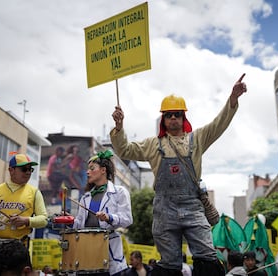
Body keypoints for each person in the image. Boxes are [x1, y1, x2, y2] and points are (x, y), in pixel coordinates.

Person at [111, 74, 247, 276]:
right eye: (168, 114)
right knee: (169, 264)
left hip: (193, 206)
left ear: (184, 117)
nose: (173, 117)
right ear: (163, 120)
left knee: (207, 257)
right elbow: (124, 150)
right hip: (164, 210)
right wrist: (120, 127)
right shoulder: (152, 144)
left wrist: (233, 99)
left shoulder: (198, 138)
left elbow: (219, 124)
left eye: (177, 114)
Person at [73, 150, 133, 276]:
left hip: (108, 251)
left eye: (92, 168)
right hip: (87, 252)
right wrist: (67, 221)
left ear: (103, 170)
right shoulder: (85, 197)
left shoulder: (120, 192)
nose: (87, 172)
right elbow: (79, 225)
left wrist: (109, 218)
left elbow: (127, 219)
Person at [0, 153, 48, 240]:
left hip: (20, 246)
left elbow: (44, 219)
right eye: (24, 169)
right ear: (11, 170)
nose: (28, 173)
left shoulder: (35, 192)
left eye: (30, 169)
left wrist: (26, 220)